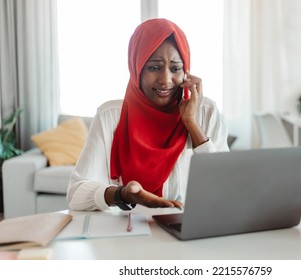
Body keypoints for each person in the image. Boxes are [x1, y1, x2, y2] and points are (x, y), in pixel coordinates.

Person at [66, 18, 229, 212]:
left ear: (186, 72)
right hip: (129, 231)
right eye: (154, 67)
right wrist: (122, 194)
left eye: (175, 68)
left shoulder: (206, 112)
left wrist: (191, 123)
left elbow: (225, 187)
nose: (165, 80)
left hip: (190, 230)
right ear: (137, 68)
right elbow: (76, 194)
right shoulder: (110, 116)